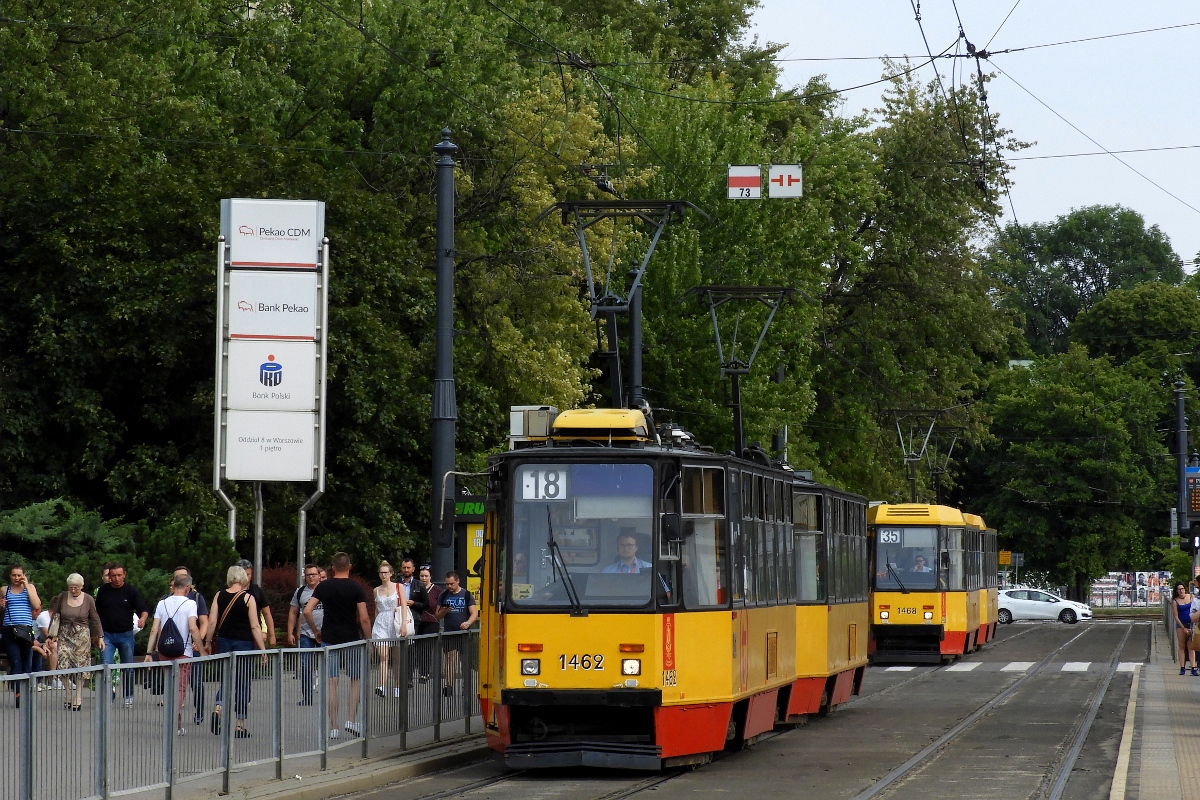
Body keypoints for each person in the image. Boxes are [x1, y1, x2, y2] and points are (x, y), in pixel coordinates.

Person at [304, 552, 371, 740]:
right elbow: (364, 618)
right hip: (351, 637)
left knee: (332, 683)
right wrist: (369, 639)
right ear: (350, 566)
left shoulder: (323, 586)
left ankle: (333, 727)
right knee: (355, 680)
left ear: (332, 568)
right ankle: (351, 719)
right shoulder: (356, 588)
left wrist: (316, 630)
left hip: (329, 637)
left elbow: (307, 611)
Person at [204, 565, 265, 738]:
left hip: (224, 641)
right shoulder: (248, 598)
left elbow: (212, 621)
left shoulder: (219, 595)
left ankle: (218, 708)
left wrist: (208, 642)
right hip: (244, 642)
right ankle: (240, 725)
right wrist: (262, 649)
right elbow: (255, 625)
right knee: (243, 683)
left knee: (227, 679)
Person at [144, 572, 206, 734]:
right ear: (187, 587)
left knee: (171, 686)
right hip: (183, 651)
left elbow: (154, 629)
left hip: (165, 650)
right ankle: (171, 722)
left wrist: (149, 652)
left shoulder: (162, 603)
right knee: (180, 688)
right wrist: (202, 650)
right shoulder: (190, 604)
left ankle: (177, 725)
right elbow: (193, 628)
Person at [94, 563, 148, 707]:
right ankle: (108, 695)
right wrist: (97, 633)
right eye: (113, 576)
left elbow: (143, 609)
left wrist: (142, 619)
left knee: (128, 666)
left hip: (125, 634)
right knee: (106, 665)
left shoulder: (130, 591)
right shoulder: (103, 591)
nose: (116, 578)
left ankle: (128, 696)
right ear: (109, 577)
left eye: (119, 575)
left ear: (124, 575)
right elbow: (96, 614)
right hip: (107, 635)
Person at [47, 574, 104, 710]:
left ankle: (78, 696)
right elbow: (56, 615)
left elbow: (95, 619)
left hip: (81, 635)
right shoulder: (62, 596)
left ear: (81, 586)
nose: (73, 590)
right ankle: (68, 693)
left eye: (76, 588)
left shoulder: (88, 599)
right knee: (63, 663)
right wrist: (51, 635)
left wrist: (100, 636)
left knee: (81, 666)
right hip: (65, 634)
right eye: (71, 588)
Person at [1, 564, 42, 708]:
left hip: (25, 630)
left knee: (27, 663)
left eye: (19, 575)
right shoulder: (4, 590)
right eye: (14, 575)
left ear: (24, 575)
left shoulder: (29, 588)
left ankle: (27, 693)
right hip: (9, 630)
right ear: (10, 576)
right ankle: (18, 694)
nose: (16, 578)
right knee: (16, 662)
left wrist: (27, 585)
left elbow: (36, 605)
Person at [371, 561, 411, 698]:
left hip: (395, 621)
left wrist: (404, 624)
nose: (383, 575)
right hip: (381, 622)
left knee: (397, 658)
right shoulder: (376, 590)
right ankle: (382, 686)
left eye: (386, 572)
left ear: (391, 573)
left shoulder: (399, 587)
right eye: (381, 572)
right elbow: (376, 609)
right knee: (383, 655)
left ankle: (397, 686)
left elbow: (404, 606)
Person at [434, 571, 477, 698]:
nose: (449, 586)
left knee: (464, 660)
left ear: (457, 581)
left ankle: (466, 685)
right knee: (449, 659)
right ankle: (449, 685)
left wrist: (468, 623)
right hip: (449, 631)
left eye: (451, 584)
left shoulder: (467, 594)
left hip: (463, 632)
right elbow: (437, 615)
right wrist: (444, 612)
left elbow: (474, 613)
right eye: (447, 584)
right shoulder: (444, 595)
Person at [287, 564, 323, 706]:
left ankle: (327, 696)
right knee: (305, 666)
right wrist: (290, 632)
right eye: (308, 575)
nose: (311, 577)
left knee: (326, 666)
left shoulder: (325, 590)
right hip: (306, 633)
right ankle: (307, 697)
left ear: (319, 575)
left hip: (325, 633)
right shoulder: (300, 592)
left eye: (314, 574)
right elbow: (293, 612)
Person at [235, 559, 276, 648]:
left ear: (251, 575)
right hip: (229, 636)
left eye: (247, 574)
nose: (245, 577)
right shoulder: (225, 590)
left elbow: (266, 613)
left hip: (250, 636)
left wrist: (272, 635)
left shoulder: (257, 591)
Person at [1173, 583, 1198, 676]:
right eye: (1179, 589)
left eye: (1182, 589)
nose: (1181, 591)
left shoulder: (1191, 597)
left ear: (1185, 589)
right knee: (1181, 646)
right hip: (1181, 625)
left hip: (1191, 624)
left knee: (1191, 646)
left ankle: (1193, 667)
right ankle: (1182, 667)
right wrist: (1183, 627)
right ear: (1176, 591)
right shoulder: (1175, 601)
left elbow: (1195, 609)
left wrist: (1193, 624)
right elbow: (1176, 616)